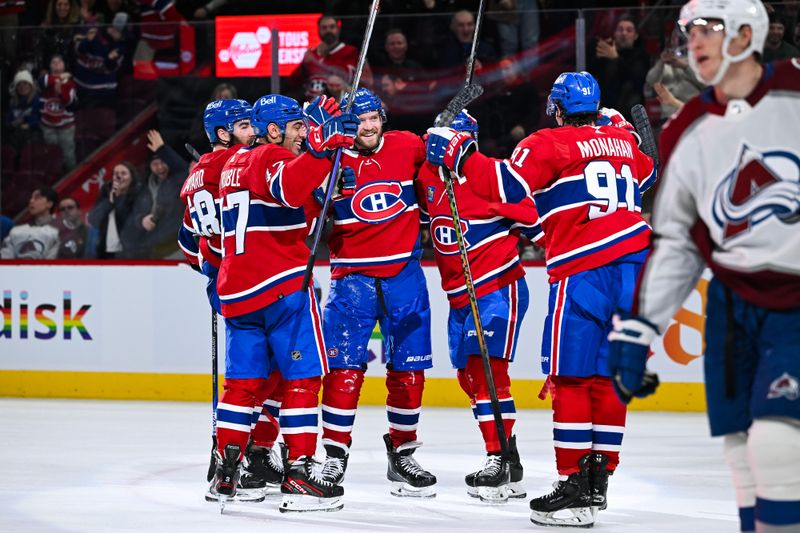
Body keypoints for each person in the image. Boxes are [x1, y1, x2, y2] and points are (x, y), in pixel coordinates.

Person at [425, 71, 656, 527]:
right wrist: (628, 131)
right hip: (637, 268)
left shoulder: (548, 142)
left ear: (557, 108)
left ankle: (573, 482)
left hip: (585, 268)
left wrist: (460, 153)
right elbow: (648, 173)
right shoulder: (622, 142)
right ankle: (599, 480)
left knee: (571, 380)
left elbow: (509, 187)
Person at [607, 2, 800, 532]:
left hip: (796, 305)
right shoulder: (686, 129)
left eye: (708, 28)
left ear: (747, 31)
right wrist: (638, 330)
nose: (695, 39)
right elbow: (676, 243)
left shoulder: (795, 91)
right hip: (732, 306)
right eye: (690, 29)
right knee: (742, 455)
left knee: (778, 446)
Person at [212, 93, 358, 512]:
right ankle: (298, 475)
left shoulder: (234, 163)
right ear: (273, 130)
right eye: (295, 126)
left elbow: (292, 206)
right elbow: (290, 189)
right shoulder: (267, 156)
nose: (300, 133)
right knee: (302, 380)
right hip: (280, 289)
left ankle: (229, 473)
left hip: (238, 292)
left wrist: (325, 162)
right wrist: (322, 147)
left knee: (241, 387)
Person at [317, 88, 437, 498]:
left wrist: (452, 134)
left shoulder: (407, 145)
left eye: (373, 118)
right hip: (352, 278)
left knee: (408, 370)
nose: (368, 127)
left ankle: (402, 452)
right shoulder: (332, 158)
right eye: (360, 120)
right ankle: (335, 455)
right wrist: (322, 180)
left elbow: (441, 168)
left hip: (405, 273)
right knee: (344, 370)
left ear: (382, 118)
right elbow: (303, 209)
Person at [415, 109, 532, 503]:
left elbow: (536, 215)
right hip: (458, 295)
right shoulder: (426, 178)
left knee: (488, 374)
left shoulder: (494, 173)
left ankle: (497, 459)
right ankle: (510, 461)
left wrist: (501, 211)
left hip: (497, 286)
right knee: (469, 378)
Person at [179, 99, 287, 503]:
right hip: (250, 279)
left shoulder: (194, 176)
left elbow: (186, 243)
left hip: (224, 279)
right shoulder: (237, 164)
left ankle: (246, 450)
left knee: (255, 373)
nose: (252, 129)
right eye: (243, 124)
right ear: (223, 134)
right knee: (267, 373)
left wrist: (211, 268)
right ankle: (251, 451)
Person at [121, 130, 186, 258]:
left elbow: (184, 170)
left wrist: (163, 149)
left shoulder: (178, 181)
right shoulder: (144, 189)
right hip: (154, 248)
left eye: (163, 162)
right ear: (149, 166)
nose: (160, 167)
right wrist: (141, 221)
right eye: (155, 164)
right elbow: (134, 216)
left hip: (176, 246)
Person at [293, 14, 372, 101]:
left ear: (338, 29)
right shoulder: (311, 54)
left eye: (332, 27)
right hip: (310, 106)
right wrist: (304, 64)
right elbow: (294, 82)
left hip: (337, 104)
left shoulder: (349, 51)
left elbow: (346, 77)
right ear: (318, 30)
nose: (328, 31)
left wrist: (316, 62)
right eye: (324, 28)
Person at [587, 15, 650, 120]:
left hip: (631, 113)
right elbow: (592, 74)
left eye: (629, 30)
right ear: (615, 34)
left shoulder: (641, 55)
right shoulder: (606, 53)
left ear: (635, 35)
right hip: (606, 111)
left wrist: (616, 59)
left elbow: (636, 78)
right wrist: (596, 55)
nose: (624, 33)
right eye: (620, 30)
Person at [88, 161, 140, 258]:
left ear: (132, 177)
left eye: (123, 173)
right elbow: (93, 219)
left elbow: (130, 223)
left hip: (132, 251)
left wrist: (120, 197)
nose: (119, 177)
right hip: (107, 252)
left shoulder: (140, 194)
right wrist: (110, 201)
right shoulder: (107, 192)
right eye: (116, 174)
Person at [39, 54, 77, 171]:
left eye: (59, 62)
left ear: (64, 65)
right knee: (51, 154)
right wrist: (60, 78)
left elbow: (68, 101)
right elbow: (43, 81)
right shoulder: (45, 80)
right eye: (53, 62)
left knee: (68, 155)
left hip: (65, 127)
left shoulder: (70, 83)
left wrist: (60, 91)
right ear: (49, 66)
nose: (56, 64)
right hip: (47, 126)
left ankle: (72, 178)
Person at [1, 187, 60, 259]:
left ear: (49, 204)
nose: (31, 201)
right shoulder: (16, 230)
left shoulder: (61, 230)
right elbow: (5, 258)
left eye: (37, 198)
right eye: (31, 198)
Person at [6, 70, 42, 154]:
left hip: (33, 137)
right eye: (19, 84)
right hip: (15, 137)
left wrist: (29, 124)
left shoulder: (38, 100)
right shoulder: (13, 103)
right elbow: (7, 122)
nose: (22, 86)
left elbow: (41, 119)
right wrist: (13, 123)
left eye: (25, 83)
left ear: (30, 85)